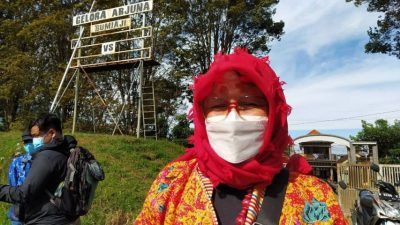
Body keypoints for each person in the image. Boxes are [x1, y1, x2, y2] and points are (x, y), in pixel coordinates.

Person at [134, 48, 348, 224]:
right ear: (201, 116)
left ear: (274, 113)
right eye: (218, 105)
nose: (233, 118)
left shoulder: (312, 195)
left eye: (249, 103)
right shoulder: (172, 182)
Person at [0, 113, 79, 225]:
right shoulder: (68, 151)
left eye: (36, 136)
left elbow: (24, 194)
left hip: (47, 219)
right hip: (68, 217)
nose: (33, 140)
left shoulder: (47, 157)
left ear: (52, 133)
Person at [7, 130, 34, 225]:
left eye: (31, 141)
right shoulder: (16, 162)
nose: (29, 144)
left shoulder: (45, 161)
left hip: (39, 213)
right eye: (26, 142)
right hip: (18, 214)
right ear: (23, 143)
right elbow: (12, 185)